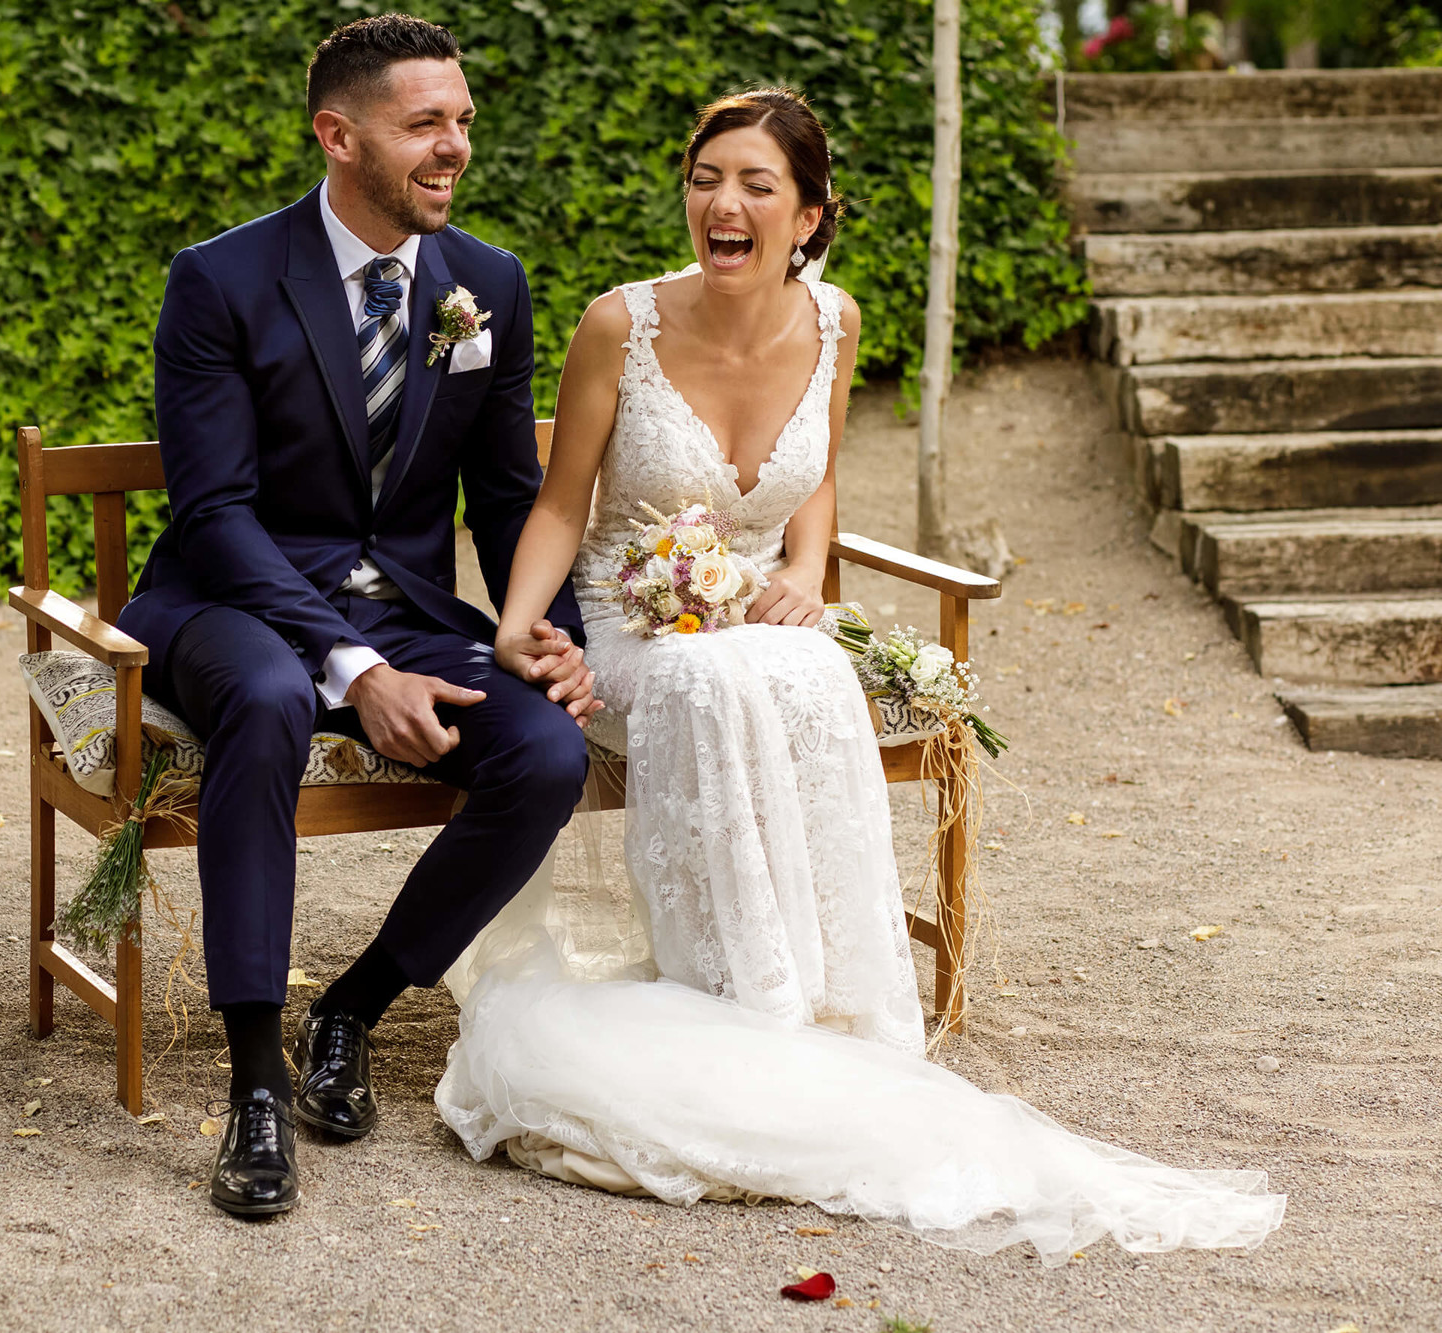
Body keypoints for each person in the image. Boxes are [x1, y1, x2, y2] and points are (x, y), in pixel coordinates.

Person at [433, 87, 1286, 1263]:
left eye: (753, 186)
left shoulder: (832, 323)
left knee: (806, 673)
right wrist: (520, 627)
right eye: (704, 178)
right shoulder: (616, 324)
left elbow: (812, 476)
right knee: (705, 685)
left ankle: (822, 1003)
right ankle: (735, 996)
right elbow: (560, 500)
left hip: (740, 599)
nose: (719, 203)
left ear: (808, 215)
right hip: (624, 610)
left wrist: (801, 567)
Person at [119, 14, 601, 1219]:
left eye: (463, 123)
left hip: (398, 603)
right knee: (278, 697)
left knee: (545, 751)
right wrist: (349, 665)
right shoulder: (221, 280)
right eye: (424, 124)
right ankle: (252, 1087)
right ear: (338, 136)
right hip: (227, 598)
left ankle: (355, 1004)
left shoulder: (484, 284)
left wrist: (546, 628)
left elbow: (501, 494)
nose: (454, 148)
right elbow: (217, 511)